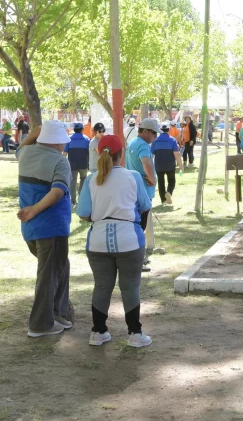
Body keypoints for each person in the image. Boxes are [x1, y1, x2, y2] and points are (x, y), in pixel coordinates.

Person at [76, 135, 153, 348]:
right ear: (122, 154)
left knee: (101, 286)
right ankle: (135, 333)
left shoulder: (92, 179)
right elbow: (145, 205)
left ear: (99, 153)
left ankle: (98, 332)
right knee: (130, 287)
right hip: (129, 239)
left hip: (98, 241)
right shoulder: (133, 176)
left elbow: (83, 213)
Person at [16, 122, 73, 337]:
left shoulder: (27, 153)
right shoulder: (60, 161)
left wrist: (33, 133)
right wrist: (35, 209)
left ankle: (58, 312)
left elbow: (20, 149)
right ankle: (40, 324)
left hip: (31, 228)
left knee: (60, 268)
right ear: (57, 142)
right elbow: (58, 192)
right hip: (51, 226)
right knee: (49, 274)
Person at [126, 118, 159, 273]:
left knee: (136, 226)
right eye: (153, 133)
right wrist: (152, 179)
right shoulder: (143, 146)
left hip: (133, 191)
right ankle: (138, 260)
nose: (155, 137)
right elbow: (146, 163)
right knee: (140, 227)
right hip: (143, 193)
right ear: (145, 131)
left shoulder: (132, 143)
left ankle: (135, 259)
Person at [150, 123, 183, 205]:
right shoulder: (172, 140)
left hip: (158, 165)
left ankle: (163, 200)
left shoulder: (155, 141)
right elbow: (177, 154)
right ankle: (169, 192)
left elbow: (151, 155)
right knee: (171, 181)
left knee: (161, 182)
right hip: (170, 164)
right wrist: (181, 166)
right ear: (169, 130)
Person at [63, 122, 91, 205]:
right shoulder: (86, 139)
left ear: (74, 129)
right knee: (83, 180)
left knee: (73, 182)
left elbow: (64, 153)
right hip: (83, 164)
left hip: (72, 165)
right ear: (82, 129)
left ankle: (73, 200)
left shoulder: (69, 138)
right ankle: (81, 198)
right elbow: (89, 153)